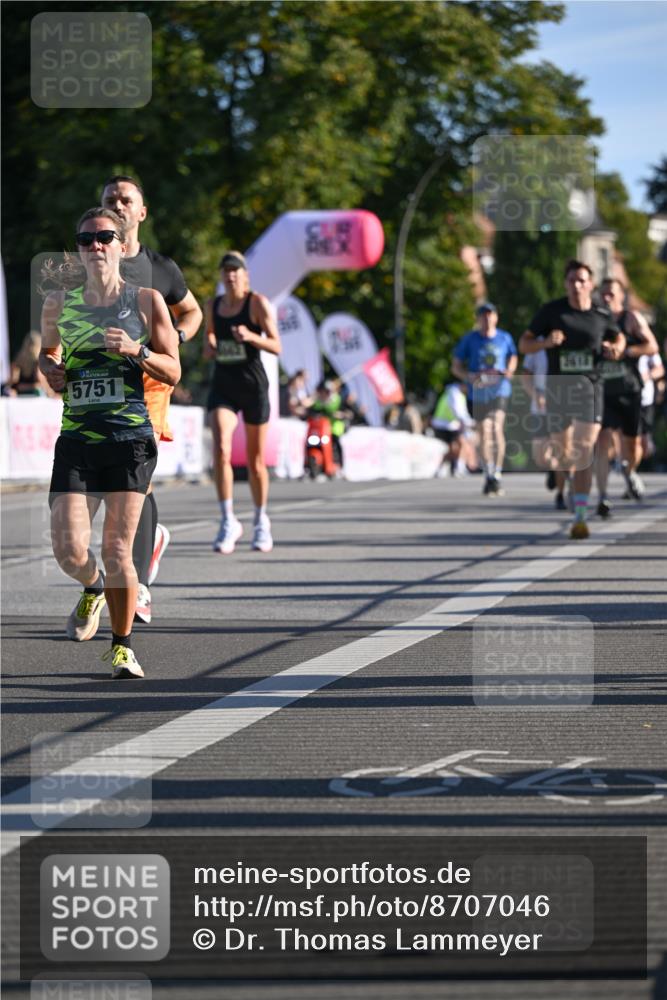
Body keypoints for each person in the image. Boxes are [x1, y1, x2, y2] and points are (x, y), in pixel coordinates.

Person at [39, 208, 180, 678]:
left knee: (118, 548)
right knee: (68, 550)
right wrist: (51, 369)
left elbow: (174, 370)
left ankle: (122, 647)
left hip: (128, 439)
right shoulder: (58, 303)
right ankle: (92, 586)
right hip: (78, 437)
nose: (95, 245)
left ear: (122, 245)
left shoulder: (147, 302)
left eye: (104, 237)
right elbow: (48, 354)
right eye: (85, 239)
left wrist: (137, 351)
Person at [101, 175, 202, 623]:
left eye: (126, 200)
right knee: (112, 485)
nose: (118, 205)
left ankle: (136, 582)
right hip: (102, 386)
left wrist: (173, 340)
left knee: (134, 481)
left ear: (141, 212)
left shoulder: (161, 268)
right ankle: (150, 540)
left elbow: (193, 311)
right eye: (110, 200)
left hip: (149, 383)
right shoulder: (90, 261)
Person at [519, 260, 626, 540]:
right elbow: (524, 343)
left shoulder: (602, 313)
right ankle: (563, 482)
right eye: (572, 280)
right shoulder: (551, 312)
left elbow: (620, 338)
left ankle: (580, 515)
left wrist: (615, 348)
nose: (577, 285)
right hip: (559, 389)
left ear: (590, 284)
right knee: (564, 452)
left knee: (583, 451)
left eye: (582, 280)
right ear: (565, 284)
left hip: (590, 388)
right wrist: (546, 343)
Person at [204, 251, 281, 554]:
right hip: (224, 385)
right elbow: (208, 343)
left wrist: (251, 336)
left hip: (252, 386)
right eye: (226, 271)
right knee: (221, 447)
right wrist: (210, 346)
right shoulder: (213, 305)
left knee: (255, 461)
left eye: (236, 270)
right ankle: (227, 520)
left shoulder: (257, 303)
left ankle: (261, 520)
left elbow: (276, 345)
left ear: (245, 275)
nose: (230, 275)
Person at [594, 278, 659, 517]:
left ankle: (629, 471)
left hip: (629, 390)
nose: (607, 298)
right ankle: (602, 497)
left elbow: (652, 346)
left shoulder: (631, 319)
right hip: (602, 389)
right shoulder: (595, 319)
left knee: (630, 447)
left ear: (622, 295)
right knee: (602, 441)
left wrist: (627, 350)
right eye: (603, 294)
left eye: (612, 294)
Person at [452, 303, 518, 496]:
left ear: (496, 317)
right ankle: (489, 471)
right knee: (484, 431)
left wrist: (510, 370)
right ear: (478, 319)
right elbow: (455, 366)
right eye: (483, 315)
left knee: (496, 427)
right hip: (478, 392)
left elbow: (513, 357)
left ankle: (497, 472)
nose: (487, 319)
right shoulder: (470, 339)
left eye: (490, 315)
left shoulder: (504, 338)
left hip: (499, 390)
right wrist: (467, 376)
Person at [521, 346, 570, 510]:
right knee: (540, 457)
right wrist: (536, 395)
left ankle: (562, 494)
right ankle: (553, 469)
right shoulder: (537, 343)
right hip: (541, 404)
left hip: (564, 400)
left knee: (562, 450)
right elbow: (526, 375)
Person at [431, 380, 476, 477]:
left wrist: (468, 421)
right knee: (459, 445)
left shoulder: (458, 394)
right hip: (444, 425)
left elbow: (463, 413)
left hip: (450, 425)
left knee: (455, 448)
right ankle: (458, 467)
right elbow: (458, 411)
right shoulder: (454, 393)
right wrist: (469, 423)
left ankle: (448, 468)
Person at [10, 330, 56, 396]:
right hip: (34, 394)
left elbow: (13, 381)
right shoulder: (38, 362)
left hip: (19, 394)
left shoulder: (18, 361)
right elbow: (41, 381)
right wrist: (52, 393)